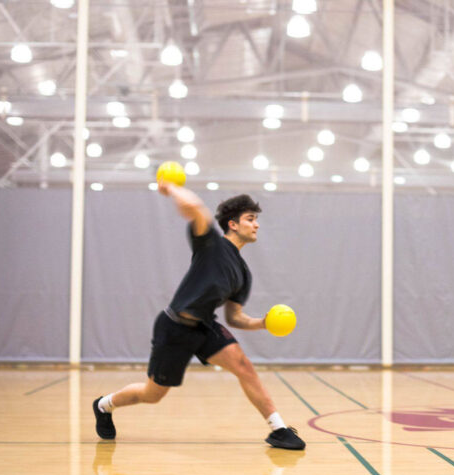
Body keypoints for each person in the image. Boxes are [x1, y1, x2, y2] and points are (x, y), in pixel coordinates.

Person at [92, 180, 305, 450]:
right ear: (233, 224)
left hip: (205, 327)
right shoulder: (211, 243)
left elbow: (235, 318)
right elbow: (194, 207)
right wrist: (170, 188)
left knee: (244, 367)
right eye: (250, 219)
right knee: (152, 394)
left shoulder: (243, 273)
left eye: (256, 220)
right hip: (174, 327)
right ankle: (103, 405)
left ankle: (279, 429)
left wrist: (264, 323)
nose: (257, 224)